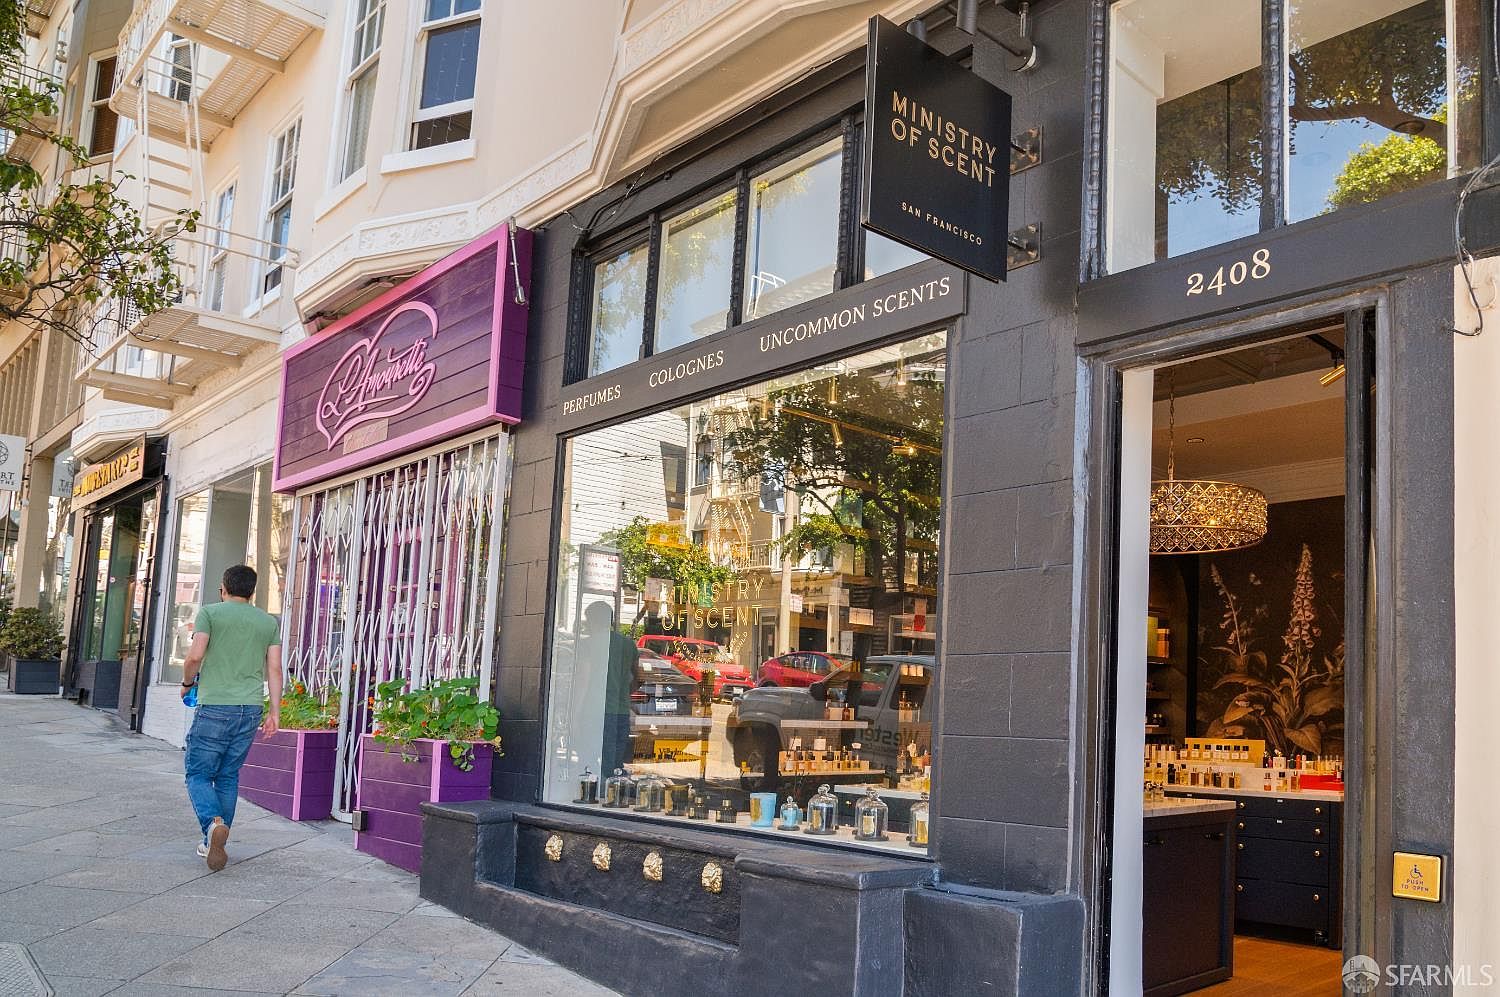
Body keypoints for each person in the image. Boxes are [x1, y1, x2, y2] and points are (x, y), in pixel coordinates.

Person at [180, 564, 282, 871]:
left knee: (198, 774)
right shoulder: (267, 621)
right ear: (252, 592)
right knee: (227, 775)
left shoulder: (210, 613)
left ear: (223, 589)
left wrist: (187, 683)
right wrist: (275, 711)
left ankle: (213, 825)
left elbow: (195, 656)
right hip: (250, 708)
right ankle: (213, 839)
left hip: (215, 706)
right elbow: (274, 669)